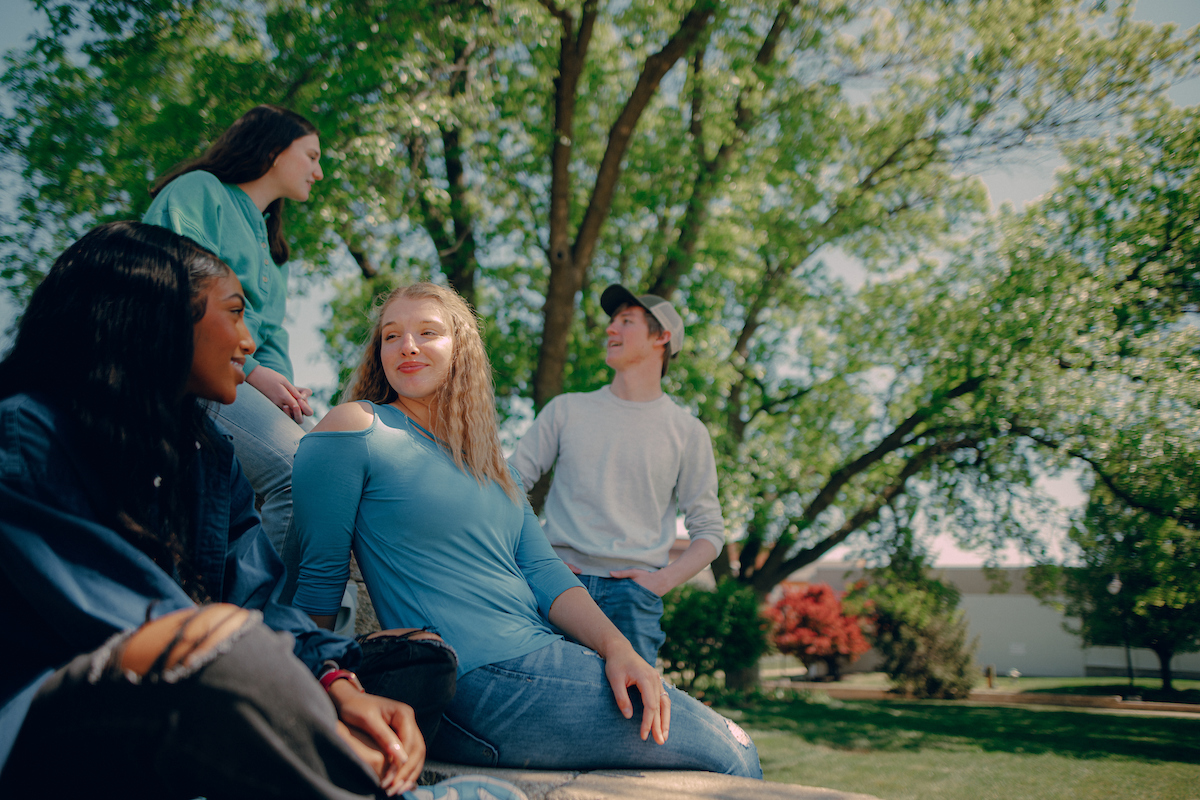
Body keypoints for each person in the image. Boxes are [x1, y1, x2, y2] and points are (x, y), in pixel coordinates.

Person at [0, 223, 523, 800]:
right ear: (161, 315)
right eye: (234, 312)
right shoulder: (28, 433)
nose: (250, 343)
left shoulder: (207, 453)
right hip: (47, 725)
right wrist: (300, 699)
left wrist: (340, 686)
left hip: (200, 681)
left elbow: (259, 598)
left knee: (410, 667)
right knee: (228, 652)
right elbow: (140, 624)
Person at [291, 283, 761, 775]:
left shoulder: (492, 464)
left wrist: (618, 648)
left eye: (427, 332)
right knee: (732, 753)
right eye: (391, 336)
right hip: (470, 681)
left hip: (542, 657)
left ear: (462, 349)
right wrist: (324, 693)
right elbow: (316, 581)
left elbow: (544, 570)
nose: (406, 345)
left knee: (732, 747)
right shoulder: (357, 429)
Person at [142, 104, 354, 625]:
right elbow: (174, 287)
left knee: (339, 466)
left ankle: (329, 635)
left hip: (244, 383)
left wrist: (287, 393)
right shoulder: (198, 193)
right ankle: (277, 632)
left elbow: (273, 340)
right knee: (299, 472)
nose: (319, 171)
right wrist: (252, 372)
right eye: (311, 155)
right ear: (274, 149)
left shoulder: (273, 250)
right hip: (187, 377)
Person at [510, 285, 724, 665]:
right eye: (611, 321)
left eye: (626, 321)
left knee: (630, 719)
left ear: (662, 337)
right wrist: (531, 560)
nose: (610, 329)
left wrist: (660, 583)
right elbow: (508, 485)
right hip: (556, 585)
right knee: (545, 711)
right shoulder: (566, 410)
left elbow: (709, 532)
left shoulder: (687, 431)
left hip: (633, 597)